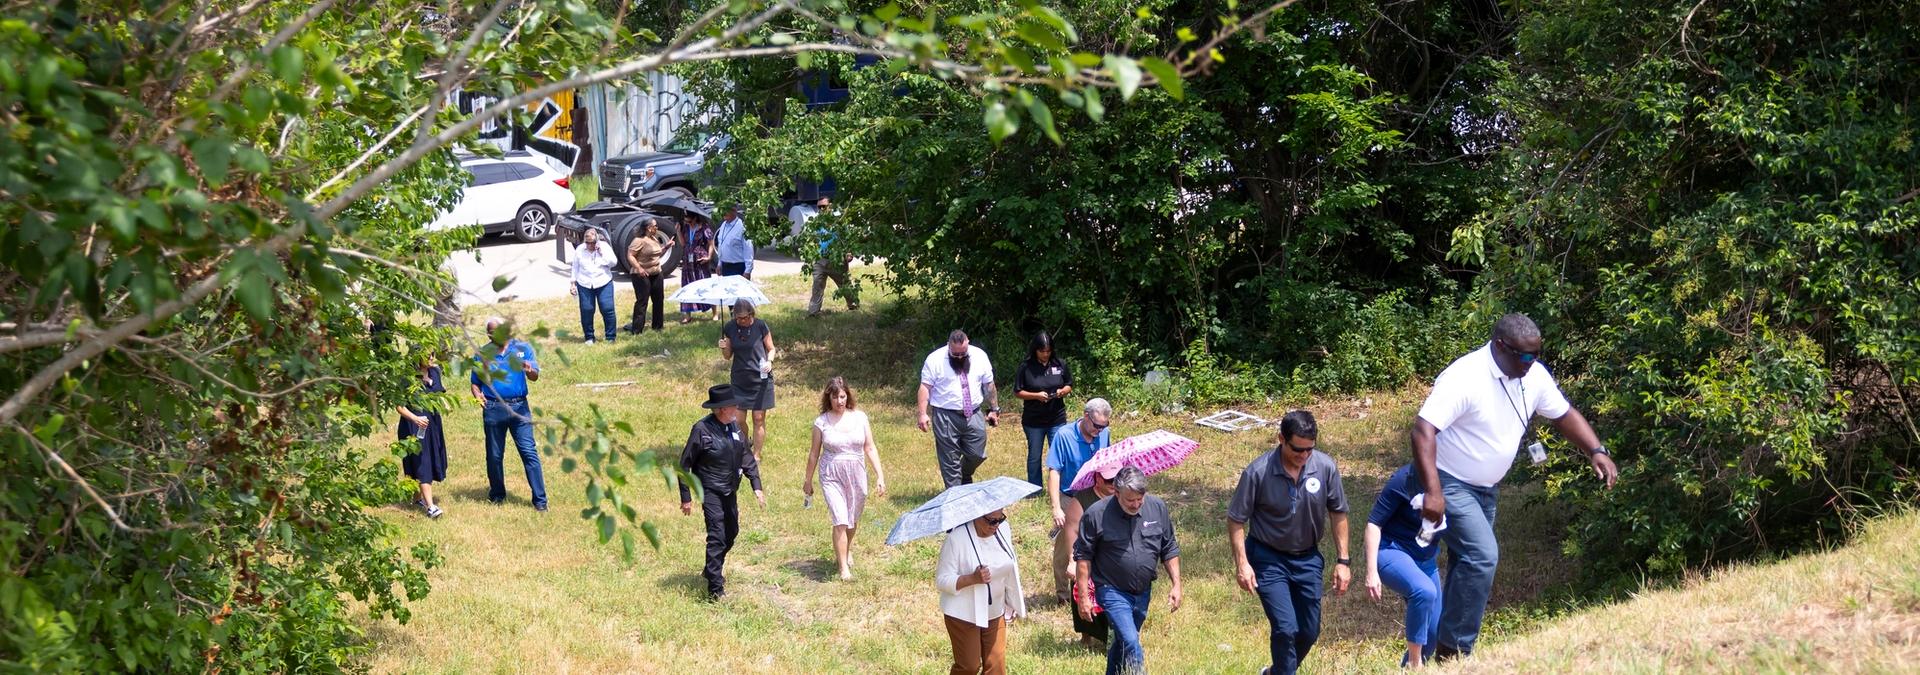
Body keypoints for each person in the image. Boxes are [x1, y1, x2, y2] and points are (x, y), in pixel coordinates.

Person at [1412, 313, 1618, 660]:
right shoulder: (1465, 377)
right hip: (1449, 480)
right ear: (1499, 346)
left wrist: (1595, 450)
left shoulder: (1532, 374)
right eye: (1524, 356)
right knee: (1482, 556)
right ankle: (1456, 652)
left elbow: (1563, 414)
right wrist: (1434, 491)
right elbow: (1423, 430)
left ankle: (1445, 653)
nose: (1531, 362)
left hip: (1486, 487)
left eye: (1536, 355)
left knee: (1468, 562)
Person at [1227, 410, 1350, 675]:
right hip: (1267, 557)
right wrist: (1242, 564)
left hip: (1307, 558)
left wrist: (1343, 560)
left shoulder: (1325, 467)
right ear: (1281, 439)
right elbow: (1236, 520)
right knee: (1285, 628)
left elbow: (1338, 511)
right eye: (1298, 449)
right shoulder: (1257, 472)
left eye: (1310, 450)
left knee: (1309, 630)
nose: (1304, 456)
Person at [1075, 466, 1183, 675]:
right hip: (1111, 589)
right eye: (1129, 500)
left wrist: (1177, 584)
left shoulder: (1157, 508)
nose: (1135, 504)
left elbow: (1169, 548)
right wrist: (1083, 597)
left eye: (1139, 499)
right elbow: (1083, 557)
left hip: (1143, 591)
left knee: (1124, 641)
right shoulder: (1096, 514)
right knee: (1132, 641)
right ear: (1116, 493)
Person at [679, 384, 766, 600]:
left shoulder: (735, 427)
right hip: (710, 490)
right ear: (721, 409)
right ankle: (715, 589)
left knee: (732, 532)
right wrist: (686, 497)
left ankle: (711, 568)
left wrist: (756, 486)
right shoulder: (702, 430)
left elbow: (746, 457)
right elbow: (684, 465)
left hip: (730, 489)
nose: (737, 408)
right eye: (732, 405)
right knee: (717, 536)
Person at [802, 377, 889, 580]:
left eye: (842, 396)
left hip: (857, 472)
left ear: (847, 396)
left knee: (852, 518)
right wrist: (808, 481)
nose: (840, 401)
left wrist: (880, 476)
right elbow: (814, 453)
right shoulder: (821, 422)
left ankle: (847, 548)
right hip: (831, 473)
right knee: (840, 519)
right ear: (829, 398)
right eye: (835, 397)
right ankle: (843, 568)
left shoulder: (860, 417)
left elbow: (870, 447)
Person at [1364, 464, 1442, 669]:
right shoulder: (1405, 479)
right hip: (1392, 550)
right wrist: (1371, 572)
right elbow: (1374, 524)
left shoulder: (1456, 481)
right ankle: (1415, 666)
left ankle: (1408, 666)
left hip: (1426, 558)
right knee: (1424, 591)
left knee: (1434, 634)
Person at [936, 507, 1027, 675]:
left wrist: (1010, 600)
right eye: (991, 521)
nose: (996, 525)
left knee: (996, 665)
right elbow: (941, 580)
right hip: (963, 613)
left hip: (994, 610)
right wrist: (971, 579)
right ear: (976, 516)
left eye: (1000, 519)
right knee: (969, 666)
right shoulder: (957, 538)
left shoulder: (1003, 530)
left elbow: (1010, 568)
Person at [470, 317, 547, 511]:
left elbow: (535, 376)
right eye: (489, 333)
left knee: (529, 452)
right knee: (494, 455)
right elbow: (475, 382)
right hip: (494, 408)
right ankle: (497, 495)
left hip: (520, 408)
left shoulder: (522, 349)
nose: (492, 335)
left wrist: (530, 371)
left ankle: (540, 501)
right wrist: (478, 395)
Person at [1047, 398, 1112, 603]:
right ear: (1086, 416)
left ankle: (1091, 589)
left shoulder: (1104, 434)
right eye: (1096, 425)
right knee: (1066, 548)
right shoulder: (1064, 436)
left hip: (1096, 494)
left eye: (1104, 426)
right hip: (1070, 496)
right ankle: (1063, 594)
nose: (1100, 430)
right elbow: (1054, 471)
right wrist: (1057, 507)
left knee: (1099, 543)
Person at [916, 330, 998, 488]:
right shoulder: (935, 360)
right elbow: (925, 387)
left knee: (977, 454)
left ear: (968, 343)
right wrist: (922, 414)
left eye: (963, 353)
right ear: (948, 346)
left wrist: (994, 408)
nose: (960, 357)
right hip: (945, 415)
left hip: (973, 413)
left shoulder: (979, 356)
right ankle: (954, 495)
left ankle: (964, 474)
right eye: (955, 354)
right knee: (950, 458)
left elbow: (989, 384)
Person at [1069, 466, 1119, 649]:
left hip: (1112, 557)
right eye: (1108, 480)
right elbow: (1072, 529)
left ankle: (1112, 638)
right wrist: (1070, 559)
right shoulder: (1082, 499)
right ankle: (1086, 636)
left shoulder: (1123, 498)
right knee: (1081, 592)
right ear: (1097, 479)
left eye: (1116, 479)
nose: (1113, 484)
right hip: (1087, 556)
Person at [1015, 331, 1073, 488]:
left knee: (1059, 454)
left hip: (1057, 418)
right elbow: (1018, 392)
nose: (1045, 354)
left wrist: (1062, 391)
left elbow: (1069, 384)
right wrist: (1036, 396)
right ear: (1035, 350)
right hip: (1034, 420)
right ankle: (1034, 488)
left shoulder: (1060, 364)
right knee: (1035, 455)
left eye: (1048, 351)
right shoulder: (1026, 367)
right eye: (1042, 351)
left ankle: (1059, 487)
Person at [718, 299, 776, 459]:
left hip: (760, 379)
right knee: (737, 419)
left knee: (758, 418)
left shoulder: (760, 326)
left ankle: (756, 455)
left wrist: (769, 361)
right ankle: (745, 444)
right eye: (738, 318)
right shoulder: (730, 327)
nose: (742, 321)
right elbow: (727, 356)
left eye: (745, 317)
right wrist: (723, 347)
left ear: (751, 314)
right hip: (739, 379)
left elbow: (771, 349)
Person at [396, 361, 448, 519]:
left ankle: (417, 498)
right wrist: (415, 418)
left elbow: (439, 393)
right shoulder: (407, 377)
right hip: (413, 426)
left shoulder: (435, 371)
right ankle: (431, 507)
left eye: (433, 353)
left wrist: (445, 404)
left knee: (431, 459)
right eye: (428, 355)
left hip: (433, 425)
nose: (432, 357)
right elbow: (399, 405)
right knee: (422, 462)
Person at [795, 197, 858, 317]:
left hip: (837, 259)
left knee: (844, 283)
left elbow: (847, 237)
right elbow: (811, 239)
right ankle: (814, 312)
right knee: (817, 285)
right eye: (819, 207)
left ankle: (853, 304)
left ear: (830, 207)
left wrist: (849, 252)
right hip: (820, 260)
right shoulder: (817, 223)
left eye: (824, 206)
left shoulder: (838, 221)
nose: (821, 209)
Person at [568, 228, 619, 344]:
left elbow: (613, 263)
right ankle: (589, 337)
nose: (590, 245)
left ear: (597, 240)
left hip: (603, 281)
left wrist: (601, 253)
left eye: (592, 242)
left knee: (607, 309)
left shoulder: (604, 247)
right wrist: (572, 283)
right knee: (586, 310)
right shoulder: (580, 250)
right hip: (585, 283)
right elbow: (575, 267)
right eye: (587, 242)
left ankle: (610, 337)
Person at [624, 217, 673, 335]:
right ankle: (637, 329)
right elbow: (630, 255)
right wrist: (639, 268)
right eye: (655, 226)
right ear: (648, 228)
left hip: (656, 272)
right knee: (642, 301)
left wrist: (667, 247)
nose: (657, 228)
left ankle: (658, 326)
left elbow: (657, 254)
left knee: (658, 299)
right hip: (641, 274)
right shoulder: (639, 240)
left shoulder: (654, 238)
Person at [680, 214, 718, 324]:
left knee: (705, 284)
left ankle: (715, 313)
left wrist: (709, 256)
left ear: (695, 218)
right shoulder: (686, 228)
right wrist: (678, 231)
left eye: (688, 220)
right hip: (688, 260)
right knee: (687, 285)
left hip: (700, 260)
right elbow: (683, 243)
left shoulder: (704, 228)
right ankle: (687, 315)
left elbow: (711, 243)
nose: (687, 222)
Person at [716, 205, 754, 279]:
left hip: (738, 267)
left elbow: (748, 250)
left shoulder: (742, 227)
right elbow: (721, 245)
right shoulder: (723, 225)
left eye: (726, 210)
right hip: (725, 266)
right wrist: (719, 263)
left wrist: (747, 271)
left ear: (734, 211)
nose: (723, 213)